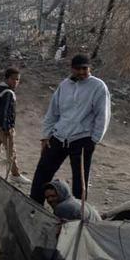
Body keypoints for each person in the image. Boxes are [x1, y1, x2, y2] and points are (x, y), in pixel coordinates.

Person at [30, 54, 110, 203]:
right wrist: (45, 136)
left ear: (89, 68)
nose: (81, 72)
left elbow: (102, 115)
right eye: (77, 69)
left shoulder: (98, 86)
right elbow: (53, 112)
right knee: (42, 172)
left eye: (84, 68)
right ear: (71, 69)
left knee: (80, 181)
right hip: (59, 136)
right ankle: (34, 207)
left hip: (82, 138)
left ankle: (78, 215)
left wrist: (94, 140)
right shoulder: (65, 85)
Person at [0, 68, 29, 183]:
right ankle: (15, 174)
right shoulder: (8, 93)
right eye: (13, 79)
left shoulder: (0, 89)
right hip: (2, 126)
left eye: (17, 80)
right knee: (11, 150)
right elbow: (6, 112)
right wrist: (7, 127)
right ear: (7, 78)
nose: (15, 82)